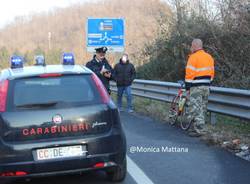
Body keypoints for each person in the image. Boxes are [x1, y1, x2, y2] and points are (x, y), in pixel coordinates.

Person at [185, 39, 215, 137]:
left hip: (196, 87)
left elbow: (189, 74)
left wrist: (187, 88)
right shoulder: (209, 57)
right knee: (202, 107)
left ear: (194, 46)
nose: (191, 48)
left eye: (191, 46)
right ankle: (199, 128)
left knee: (195, 108)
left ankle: (199, 130)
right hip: (206, 86)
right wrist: (208, 83)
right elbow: (212, 73)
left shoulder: (193, 57)